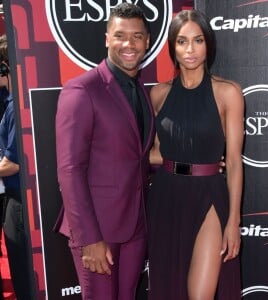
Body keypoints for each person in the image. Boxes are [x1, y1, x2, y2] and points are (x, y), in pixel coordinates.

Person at [55, 3, 155, 300]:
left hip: (135, 224)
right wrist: (89, 239)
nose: (129, 44)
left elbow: (136, 155)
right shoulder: (82, 90)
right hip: (98, 230)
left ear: (147, 41)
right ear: (107, 38)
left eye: (137, 36)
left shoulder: (141, 89)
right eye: (120, 35)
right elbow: (70, 169)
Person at [147, 9, 244, 300]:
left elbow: (236, 162)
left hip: (209, 196)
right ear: (172, 47)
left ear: (208, 45)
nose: (190, 49)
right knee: (169, 289)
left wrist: (234, 221)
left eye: (198, 40)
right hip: (166, 197)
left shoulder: (228, 93)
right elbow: (151, 153)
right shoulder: (158, 94)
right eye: (182, 41)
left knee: (199, 295)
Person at [0, 34, 32, 300]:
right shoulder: (17, 101)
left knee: (22, 272)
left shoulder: (14, 107)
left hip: (18, 200)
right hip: (24, 198)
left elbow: (12, 164)